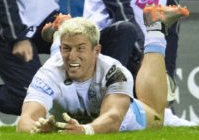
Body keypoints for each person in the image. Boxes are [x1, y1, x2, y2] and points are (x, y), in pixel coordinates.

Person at [17, 12, 189, 133]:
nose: (72, 55)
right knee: (65, 61)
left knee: (158, 117)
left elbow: (113, 118)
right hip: (68, 97)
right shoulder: (47, 73)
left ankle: (155, 28)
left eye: (81, 48)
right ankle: (58, 34)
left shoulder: (114, 71)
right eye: (66, 48)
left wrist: (85, 131)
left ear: (97, 50)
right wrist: (36, 129)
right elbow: (25, 120)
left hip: (126, 116)